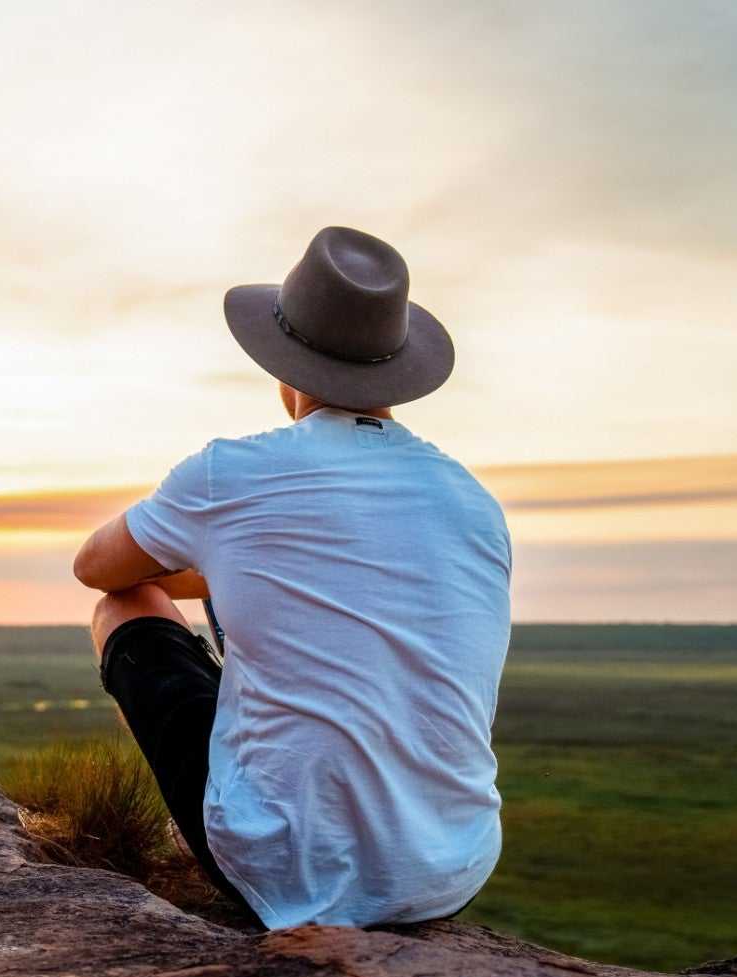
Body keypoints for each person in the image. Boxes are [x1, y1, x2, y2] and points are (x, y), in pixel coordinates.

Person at [73, 226, 512, 929]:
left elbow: (96, 567)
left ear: (285, 366)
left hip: (286, 870)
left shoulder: (229, 473)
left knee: (122, 606)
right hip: (450, 868)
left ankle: (199, 827)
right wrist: (233, 569)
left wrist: (214, 558)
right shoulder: (474, 502)